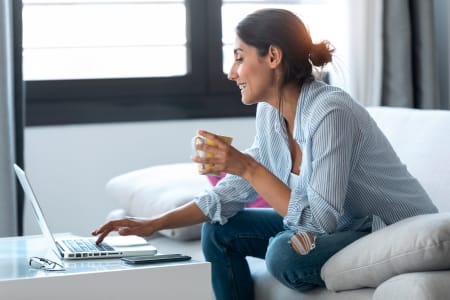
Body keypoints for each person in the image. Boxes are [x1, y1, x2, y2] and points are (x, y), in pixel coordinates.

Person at [92, 8, 437, 300]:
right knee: (219, 229)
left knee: (286, 253)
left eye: (239, 58)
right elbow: (231, 193)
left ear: (272, 56)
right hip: (343, 228)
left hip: (387, 231)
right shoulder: (271, 113)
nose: (231, 72)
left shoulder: (330, 112)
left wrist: (246, 166)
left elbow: (318, 223)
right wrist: (154, 223)